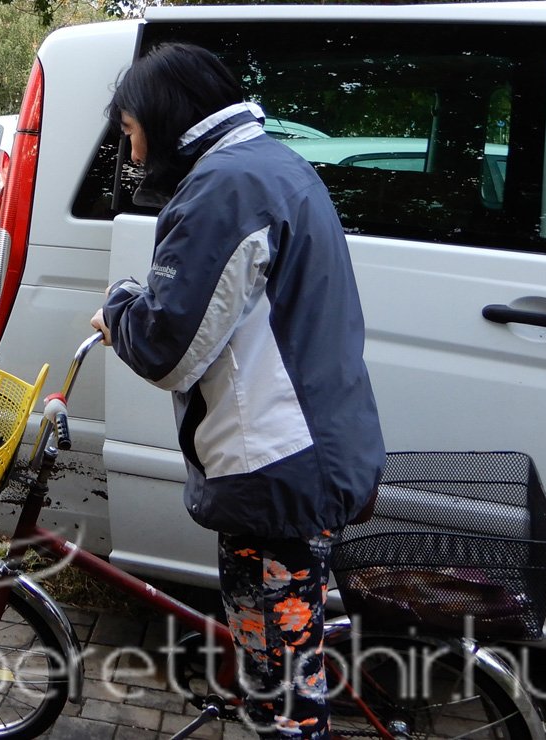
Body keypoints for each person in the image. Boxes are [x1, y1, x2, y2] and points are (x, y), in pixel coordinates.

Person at [90, 43, 385, 739]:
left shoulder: (226, 188)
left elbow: (169, 348)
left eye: (131, 134)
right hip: (310, 447)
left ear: (162, 120)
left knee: (281, 696)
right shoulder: (270, 164)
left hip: (277, 468)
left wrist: (117, 310)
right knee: (284, 665)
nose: (132, 157)